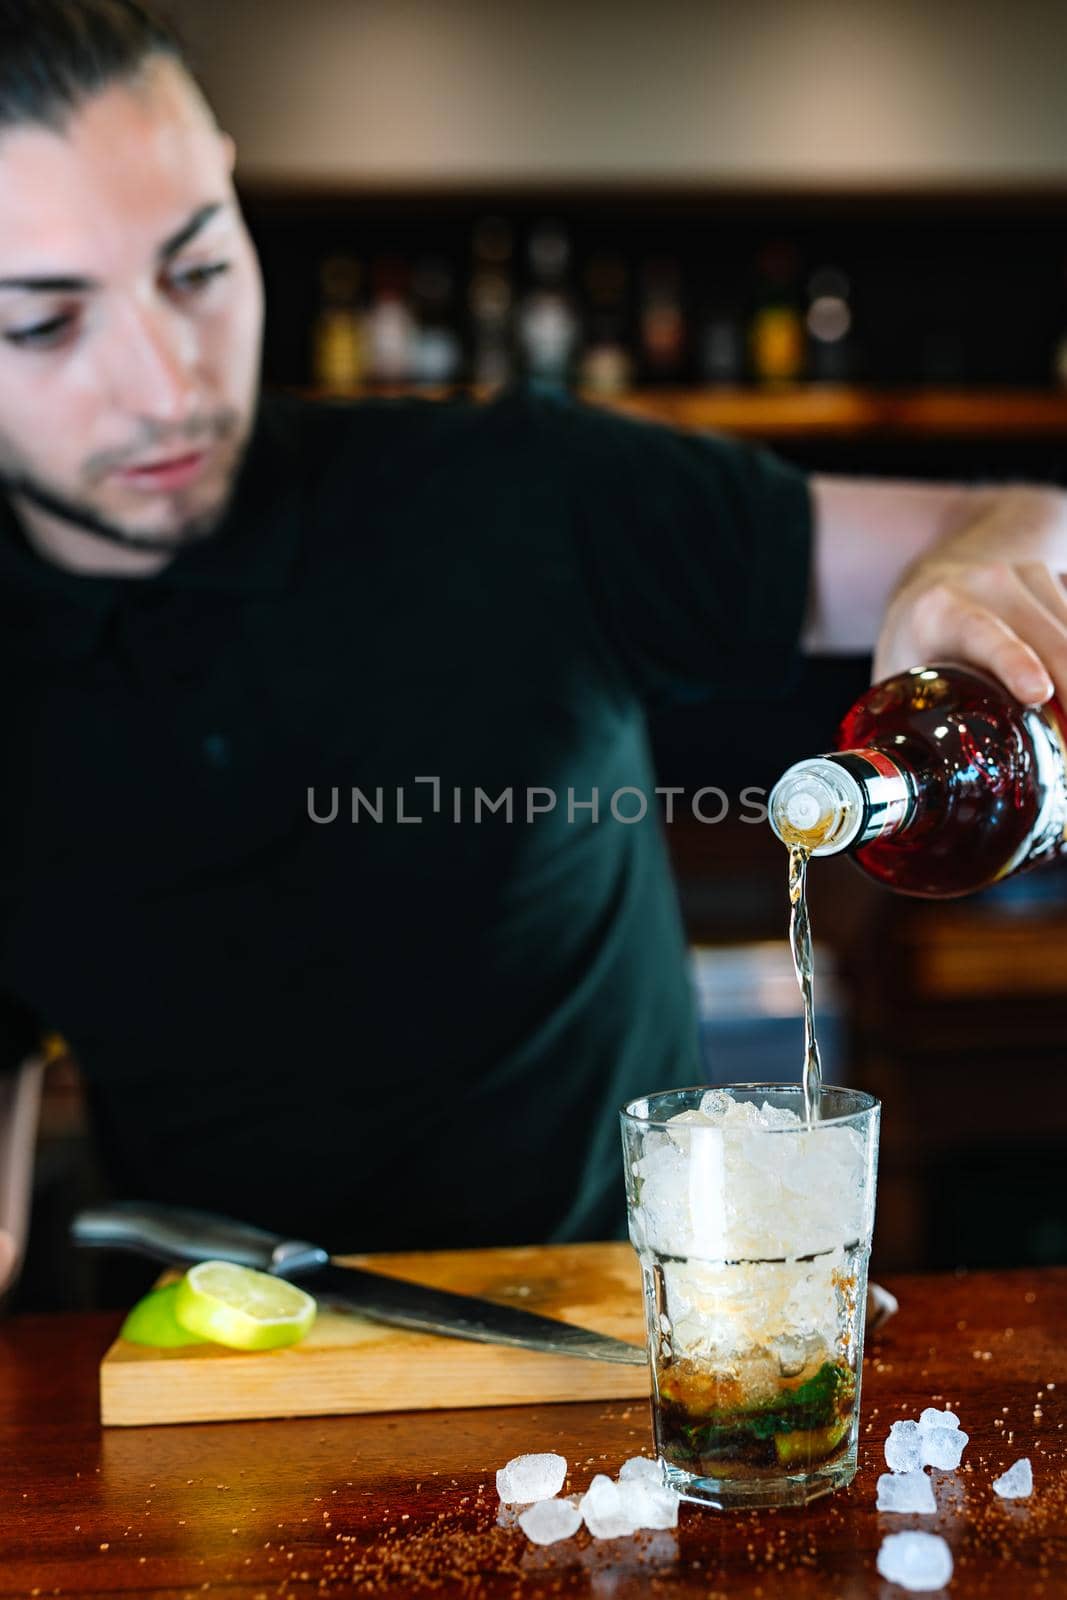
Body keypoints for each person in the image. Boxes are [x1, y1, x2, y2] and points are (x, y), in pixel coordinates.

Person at [1, 0, 1067, 1297]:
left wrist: (955, 578)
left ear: (230, 187)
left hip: (614, 1378)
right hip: (226, 1399)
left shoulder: (514, 492)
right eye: (45, 325)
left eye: (197, 268)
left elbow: (1009, 515)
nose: (166, 382)